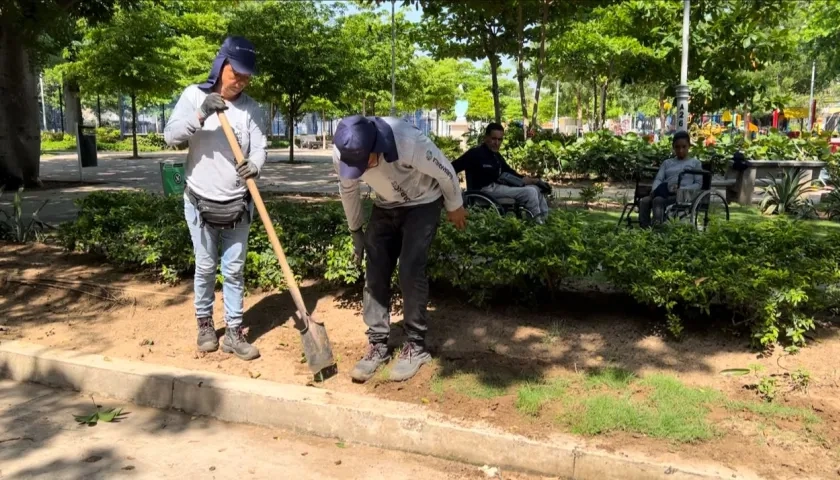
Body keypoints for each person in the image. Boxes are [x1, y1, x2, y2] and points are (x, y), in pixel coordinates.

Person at [333, 115, 467, 383]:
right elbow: (348, 190)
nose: (359, 171)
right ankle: (377, 345)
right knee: (375, 270)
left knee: (410, 267)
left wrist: (454, 206)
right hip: (385, 205)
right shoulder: (343, 152)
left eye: (364, 163)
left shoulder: (407, 141)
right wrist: (355, 229)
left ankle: (415, 346)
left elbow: (445, 171)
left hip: (423, 202)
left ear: (376, 146)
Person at [164, 36, 266, 361]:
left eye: (247, 76)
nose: (241, 80)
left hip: (239, 202)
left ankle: (234, 332)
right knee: (206, 266)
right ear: (221, 64)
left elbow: (261, 147)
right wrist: (201, 114)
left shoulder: (251, 109)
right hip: (199, 201)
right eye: (236, 72)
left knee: (234, 270)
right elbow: (170, 137)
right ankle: (205, 325)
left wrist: (256, 165)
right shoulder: (194, 95)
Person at [451, 123, 550, 223]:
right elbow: (452, 168)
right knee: (530, 192)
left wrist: (530, 180)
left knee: (537, 189)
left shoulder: (496, 156)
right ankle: (536, 224)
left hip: (499, 187)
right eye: (494, 139)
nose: (497, 143)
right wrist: (453, 190)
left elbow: (509, 171)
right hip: (485, 190)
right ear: (486, 138)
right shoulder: (474, 154)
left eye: (500, 139)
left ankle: (545, 221)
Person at [639, 130, 702, 228]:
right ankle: (644, 228)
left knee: (658, 200)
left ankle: (657, 228)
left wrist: (681, 190)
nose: (680, 150)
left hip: (682, 195)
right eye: (677, 147)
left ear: (689, 146)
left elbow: (698, 184)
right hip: (664, 191)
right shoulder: (667, 163)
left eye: (684, 147)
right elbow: (659, 179)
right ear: (673, 147)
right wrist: (654, 190)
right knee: (645, 201)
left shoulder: (695, 163)